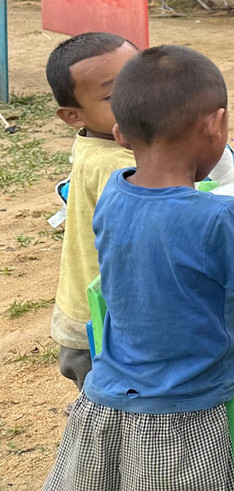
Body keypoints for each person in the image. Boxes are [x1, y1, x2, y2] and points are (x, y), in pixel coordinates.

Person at [42, 45, 234, 491]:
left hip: (104, 401)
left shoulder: (114, 189)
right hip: (184, 417)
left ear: (121, 134)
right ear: (216, 124)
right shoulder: (218, 217)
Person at [45, 32, 138, 390]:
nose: (138, 97)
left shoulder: (97, 136)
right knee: (114, 421)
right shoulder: (114, 166)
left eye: (141, 80)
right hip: (97, 330)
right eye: (115, 96)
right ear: (73, 115)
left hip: (97, 317)